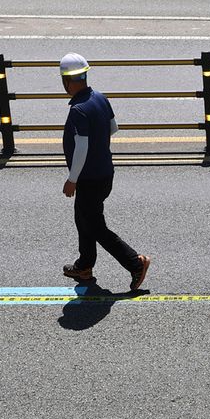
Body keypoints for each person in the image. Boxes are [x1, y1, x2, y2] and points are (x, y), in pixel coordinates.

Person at [60, 52, 151, 292]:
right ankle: (84, 265)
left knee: (95, 226)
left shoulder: (78, 109)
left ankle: (135, 263)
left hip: (89, 178)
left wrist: (72, 179)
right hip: (104, 173)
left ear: (66, 81)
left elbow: (81, 147)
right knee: (84, 219)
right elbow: (113, 128)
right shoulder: (100, 98)